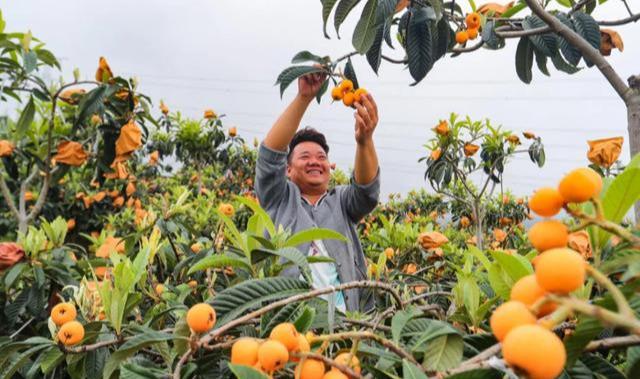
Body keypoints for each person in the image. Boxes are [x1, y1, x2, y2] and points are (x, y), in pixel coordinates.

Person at [255, 70, 380, 312]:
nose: (315, 161)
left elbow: (367, 191)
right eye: (305, 156)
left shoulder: (341, 201)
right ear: (288, 170)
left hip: (344, 324)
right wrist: (304, 97)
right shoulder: (279, 199)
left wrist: (365, 140)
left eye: (321, 157)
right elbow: (269, 158)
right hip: (290, 323)